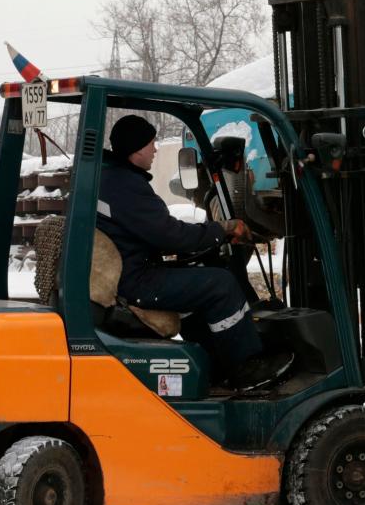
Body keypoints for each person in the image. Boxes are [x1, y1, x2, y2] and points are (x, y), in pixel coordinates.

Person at [96, 114, 291, 389]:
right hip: (134, 281)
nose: (155, 149)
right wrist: (221, 229)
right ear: (137, 148)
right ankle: (245, 366)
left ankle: (213, 361)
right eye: (151, 143)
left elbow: (154, 232)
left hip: (128, 271)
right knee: (221, 284)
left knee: (199, 277)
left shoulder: (111, 179)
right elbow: (170, 236)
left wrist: (204, 235)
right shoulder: (126, 186)